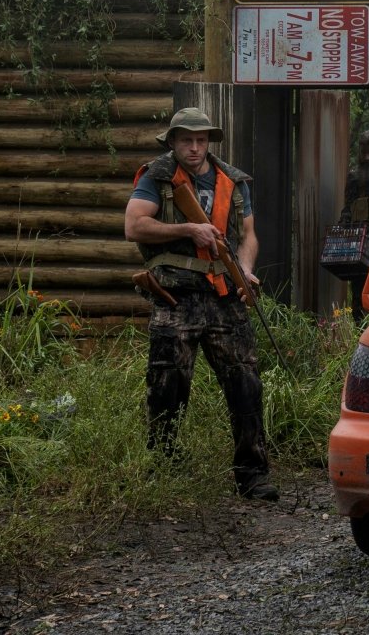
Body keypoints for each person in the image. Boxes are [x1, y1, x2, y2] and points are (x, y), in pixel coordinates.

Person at [123, 107, 277, 502]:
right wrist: (189, 228)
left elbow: (248, 235)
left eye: (201, 140)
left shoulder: (232, 180)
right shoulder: (157, 176)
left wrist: (245, 270)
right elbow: (134, 225)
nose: (195, 148)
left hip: (224, 295)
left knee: (246, 384)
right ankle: (164, 470)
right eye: (187, 140)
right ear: (173, 142)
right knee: (167, 385)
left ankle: (253, 475)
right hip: (177, 296)